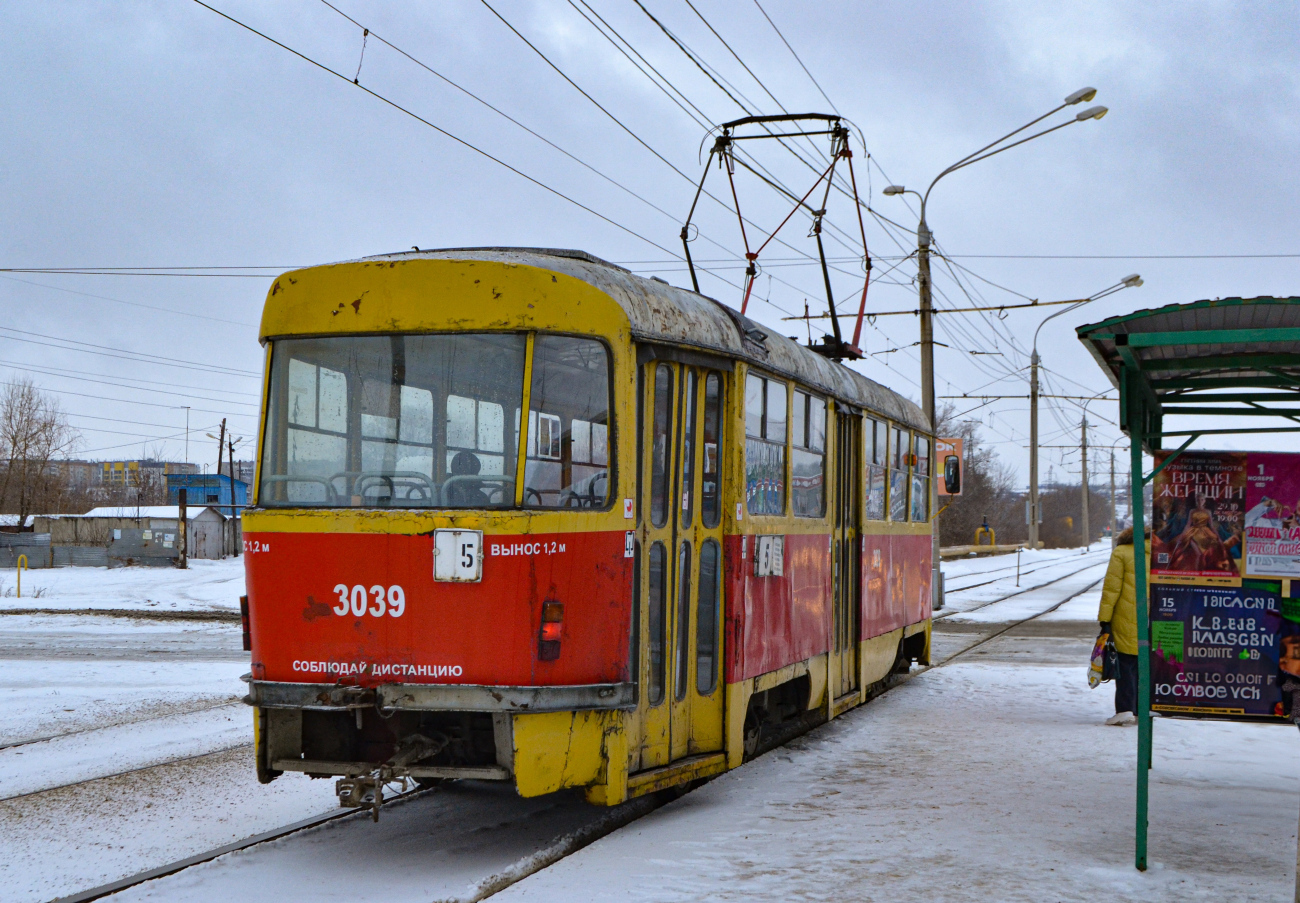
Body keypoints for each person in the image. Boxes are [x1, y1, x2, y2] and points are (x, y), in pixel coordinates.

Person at [1097, 525, 1150, 726]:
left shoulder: (1121, 552)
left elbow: (1111, 589)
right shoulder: (1159, 552)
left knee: (1126, 663)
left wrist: (1105, 620)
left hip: (1125, 615)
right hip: (1151, 617)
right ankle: (1140, 709)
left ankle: (1125, 709)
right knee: (1143, 665)